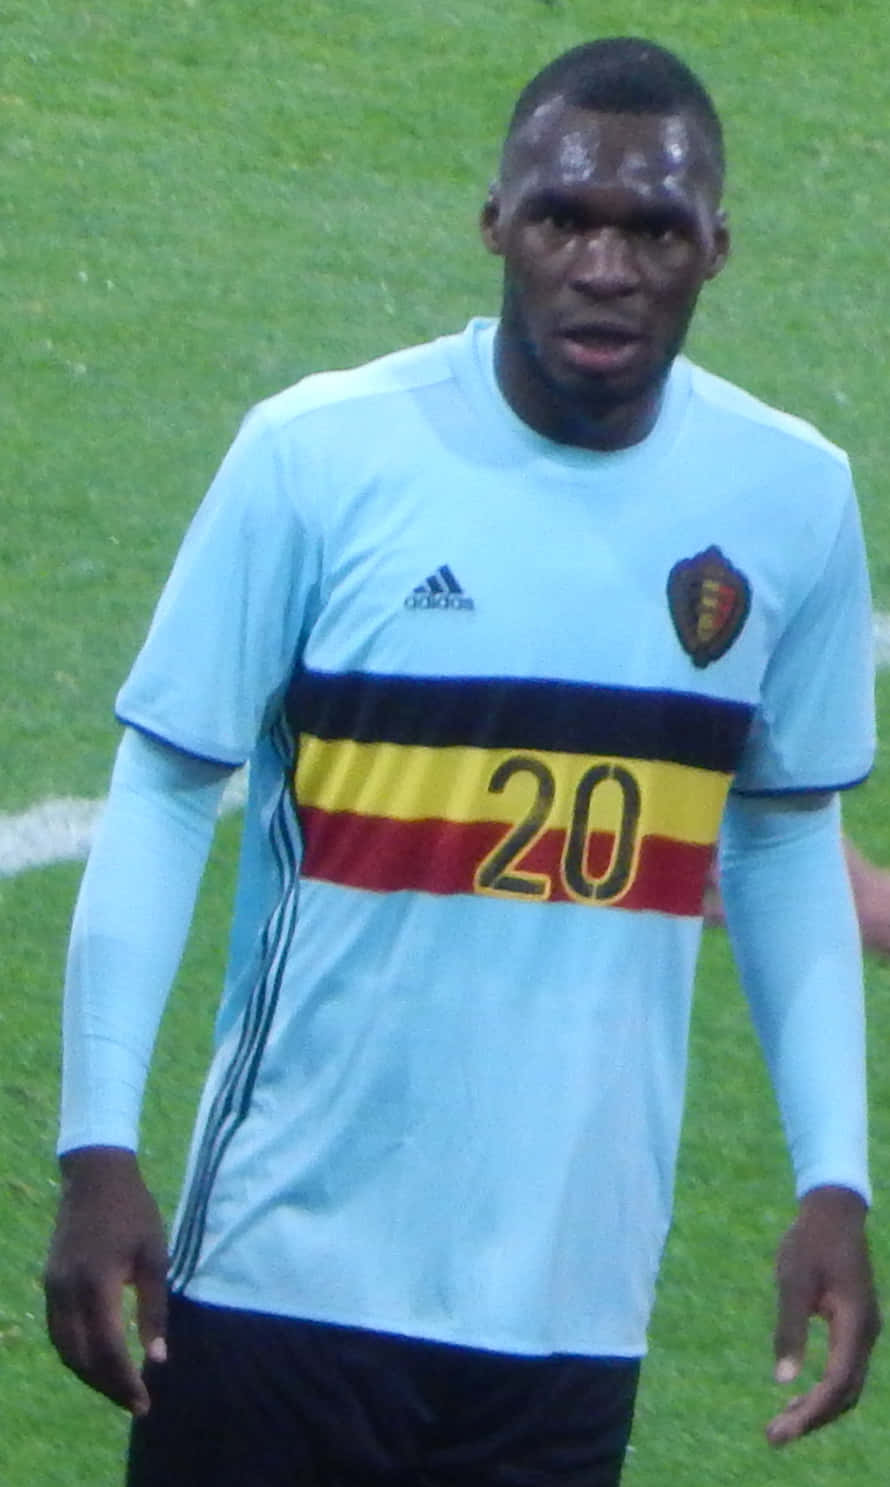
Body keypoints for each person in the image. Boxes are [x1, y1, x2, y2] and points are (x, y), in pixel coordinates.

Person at [44, 37, 880, 1487]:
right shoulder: (319, 458)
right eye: (563, 217)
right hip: (280, 1267)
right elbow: (168, 790)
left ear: (716, 248)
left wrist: (834, 1179)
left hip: (572, 1300)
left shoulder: (789, 497)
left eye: (653, 229)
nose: (604, 268)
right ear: (495, 222)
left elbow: (785, 836)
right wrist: (96, 1148)